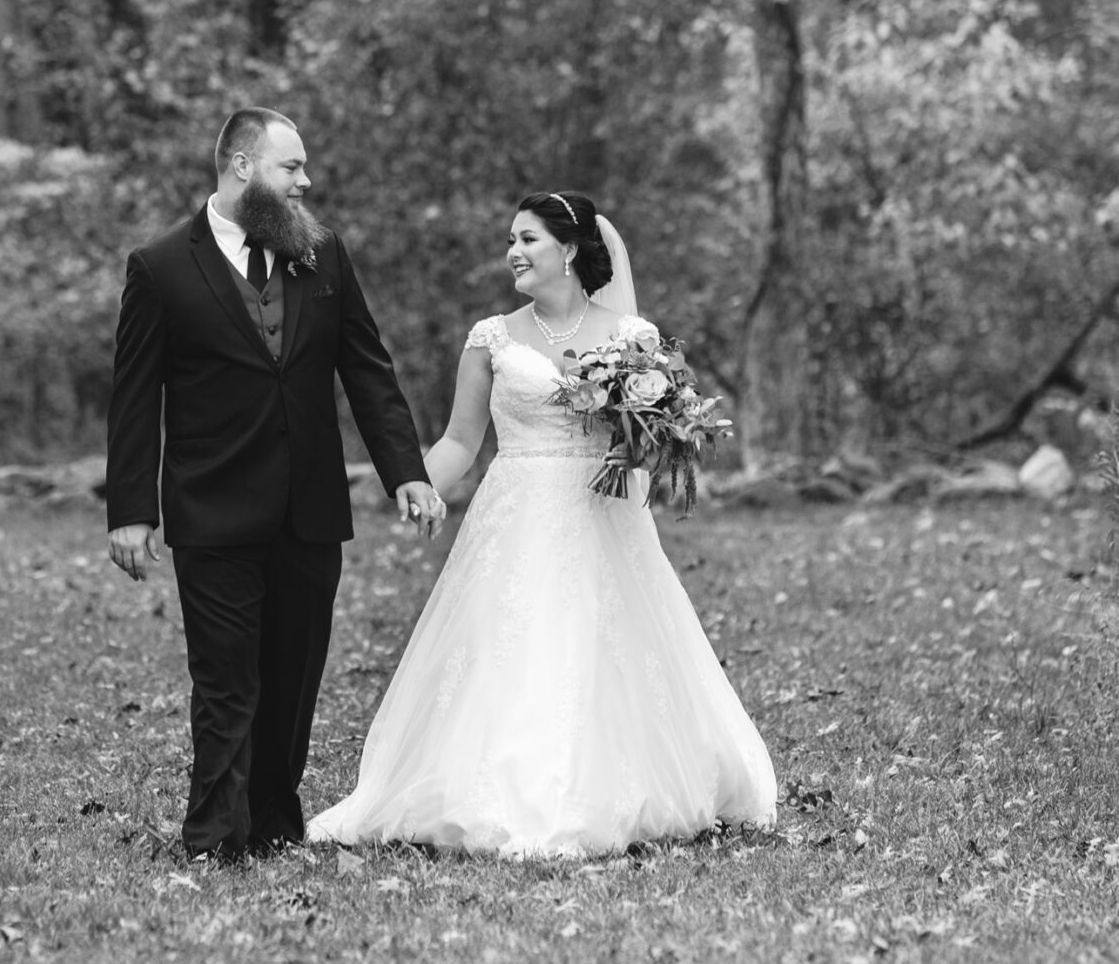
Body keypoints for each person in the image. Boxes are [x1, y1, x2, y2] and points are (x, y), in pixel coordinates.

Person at [307, 191, 777, 856]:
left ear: (571, 250)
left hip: (603, 519)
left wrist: (649, 426)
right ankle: (500, 789)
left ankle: (611, 786)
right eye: (510, 240)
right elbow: (461, 444)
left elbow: (648, 450)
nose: (513, 253)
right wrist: (413, 484)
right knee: (517, 644)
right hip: (516, 517)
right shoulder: (491, 338)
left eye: (528, 239)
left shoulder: (633, 340)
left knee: (601, 643)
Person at [106, 107, 446, 864]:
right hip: (211, 508)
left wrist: (407, 472)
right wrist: (131, 511)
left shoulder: (320, 255)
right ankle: (213, 837)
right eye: (291, 167)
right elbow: (134, 397)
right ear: (241, 167)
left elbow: (367, 368)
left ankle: (273, 823)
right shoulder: (160, 266)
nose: (306, 181)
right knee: (226, 681)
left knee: (292, 679)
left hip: (309, 510)